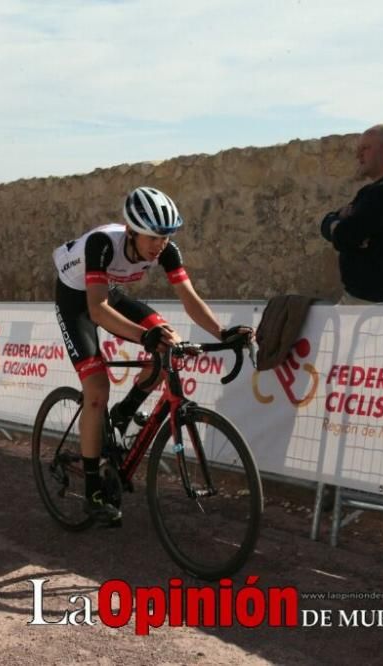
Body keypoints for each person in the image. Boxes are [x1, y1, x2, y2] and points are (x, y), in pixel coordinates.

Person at [52, 186, 251, 524]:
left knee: (168, 343)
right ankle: (93, 491)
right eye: (152, 237)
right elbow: (97, 311)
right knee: (96, 389)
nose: (159, 245)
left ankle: (123, 413)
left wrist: (223, 333)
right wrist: (145, 335)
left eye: (165, 236)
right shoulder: (103, 244)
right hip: (76, 299)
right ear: (130, 232)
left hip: (107, 290)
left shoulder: (166, 250)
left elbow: (189, 298)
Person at [320, 124, 383, 304]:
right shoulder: (376, 190)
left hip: (372, 305)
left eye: (366, 148)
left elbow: (344, 237)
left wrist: (337, 225)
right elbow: (329, 225)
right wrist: (338, 223)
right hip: (371, 302)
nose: (358, 156)